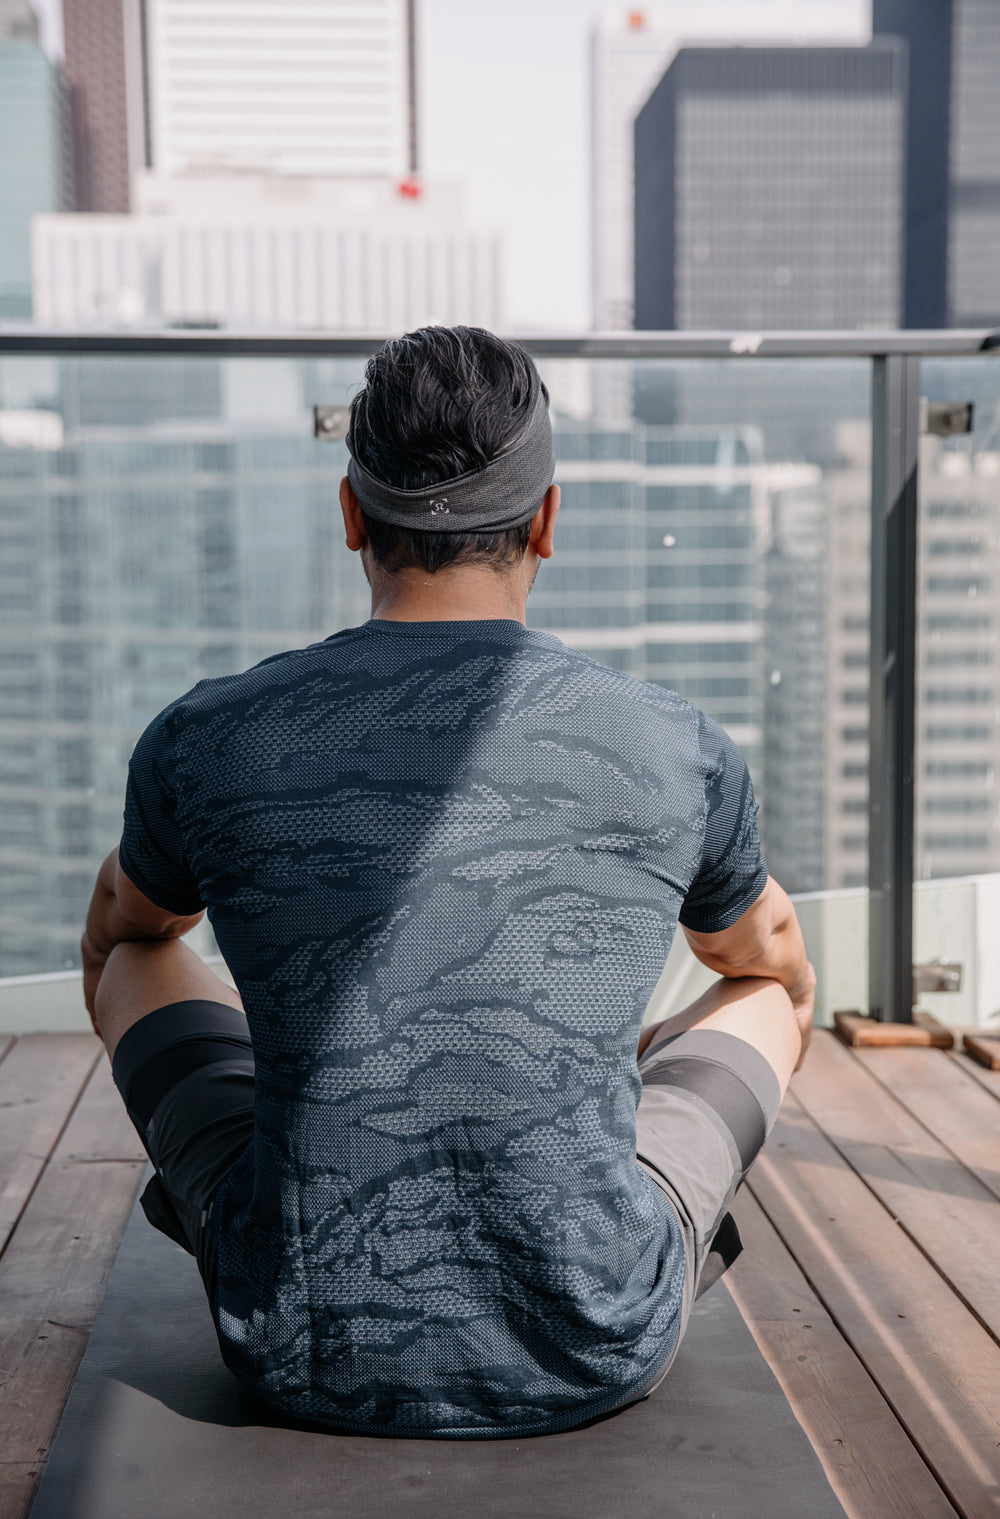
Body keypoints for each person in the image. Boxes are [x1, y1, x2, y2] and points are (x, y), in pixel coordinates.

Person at [82, 325, 815, 1440]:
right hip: (593, 1338)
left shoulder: (209, 735)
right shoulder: (674, 745)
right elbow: (764, 960)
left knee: (137, 960)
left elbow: (125, 927)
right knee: (766, 997)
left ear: (349, 516)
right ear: (549, 521)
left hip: (296, 1346)